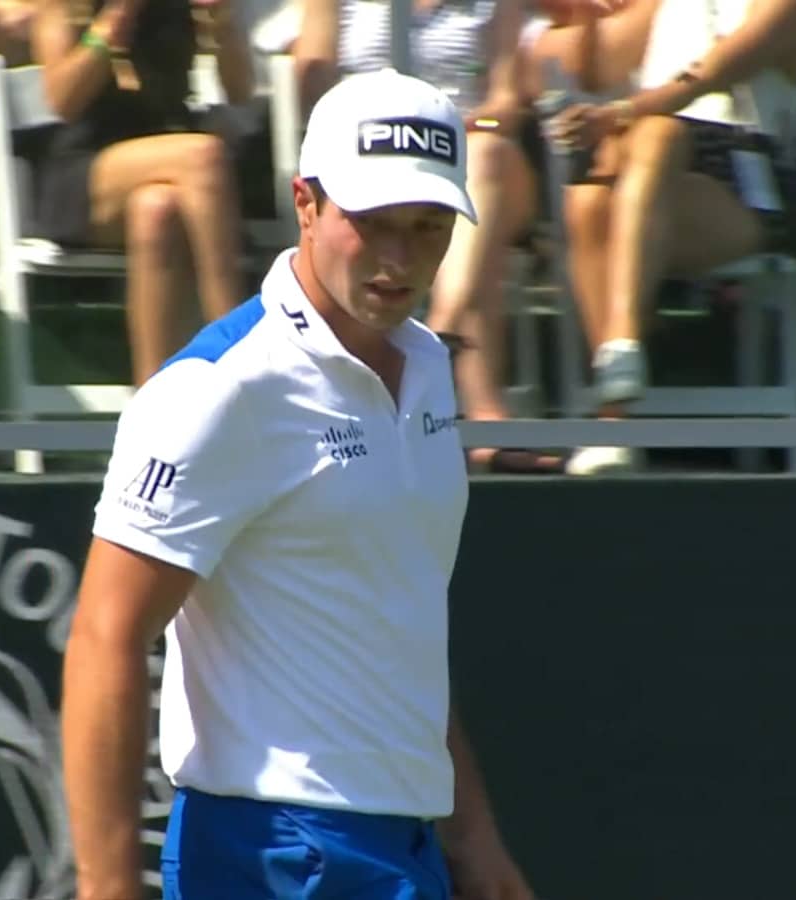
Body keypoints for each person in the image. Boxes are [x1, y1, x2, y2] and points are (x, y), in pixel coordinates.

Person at [61, 67, 536, 899]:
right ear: (305, 203)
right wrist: (107, 888)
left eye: (427, 228)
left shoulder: (426, 366)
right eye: (371, 222)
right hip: (272, 855)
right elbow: (104, 634)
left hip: (400, 841)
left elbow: (394, 625)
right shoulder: (221, 388)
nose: (398, 258)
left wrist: (474, 837)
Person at [551, 0, 796, 473]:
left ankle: (617, 365)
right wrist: (585, 19)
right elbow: (598, 71)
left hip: (745, 174)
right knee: (588, 201)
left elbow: (708, 76)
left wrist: (621, 112)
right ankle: (617, 409)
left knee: (657, 134)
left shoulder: (788, 8)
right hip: (649, 172)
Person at [296, 0, 563, 473]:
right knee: (473, 241)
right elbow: (311, 79)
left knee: (481, 168)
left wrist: (448, 136)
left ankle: (435, 335)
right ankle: (484, 415)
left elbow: (507, 102)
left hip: (476, 157)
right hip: (371, 163)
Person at [27, 0, 253, 383]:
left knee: (157, 209)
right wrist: (116, 18)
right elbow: (63, 101)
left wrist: (223, 23)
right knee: (205, 156)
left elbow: (240, 91)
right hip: (86, 171)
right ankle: (239, 356)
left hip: (166, 161)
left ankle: (151, 405)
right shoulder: (64, 7)